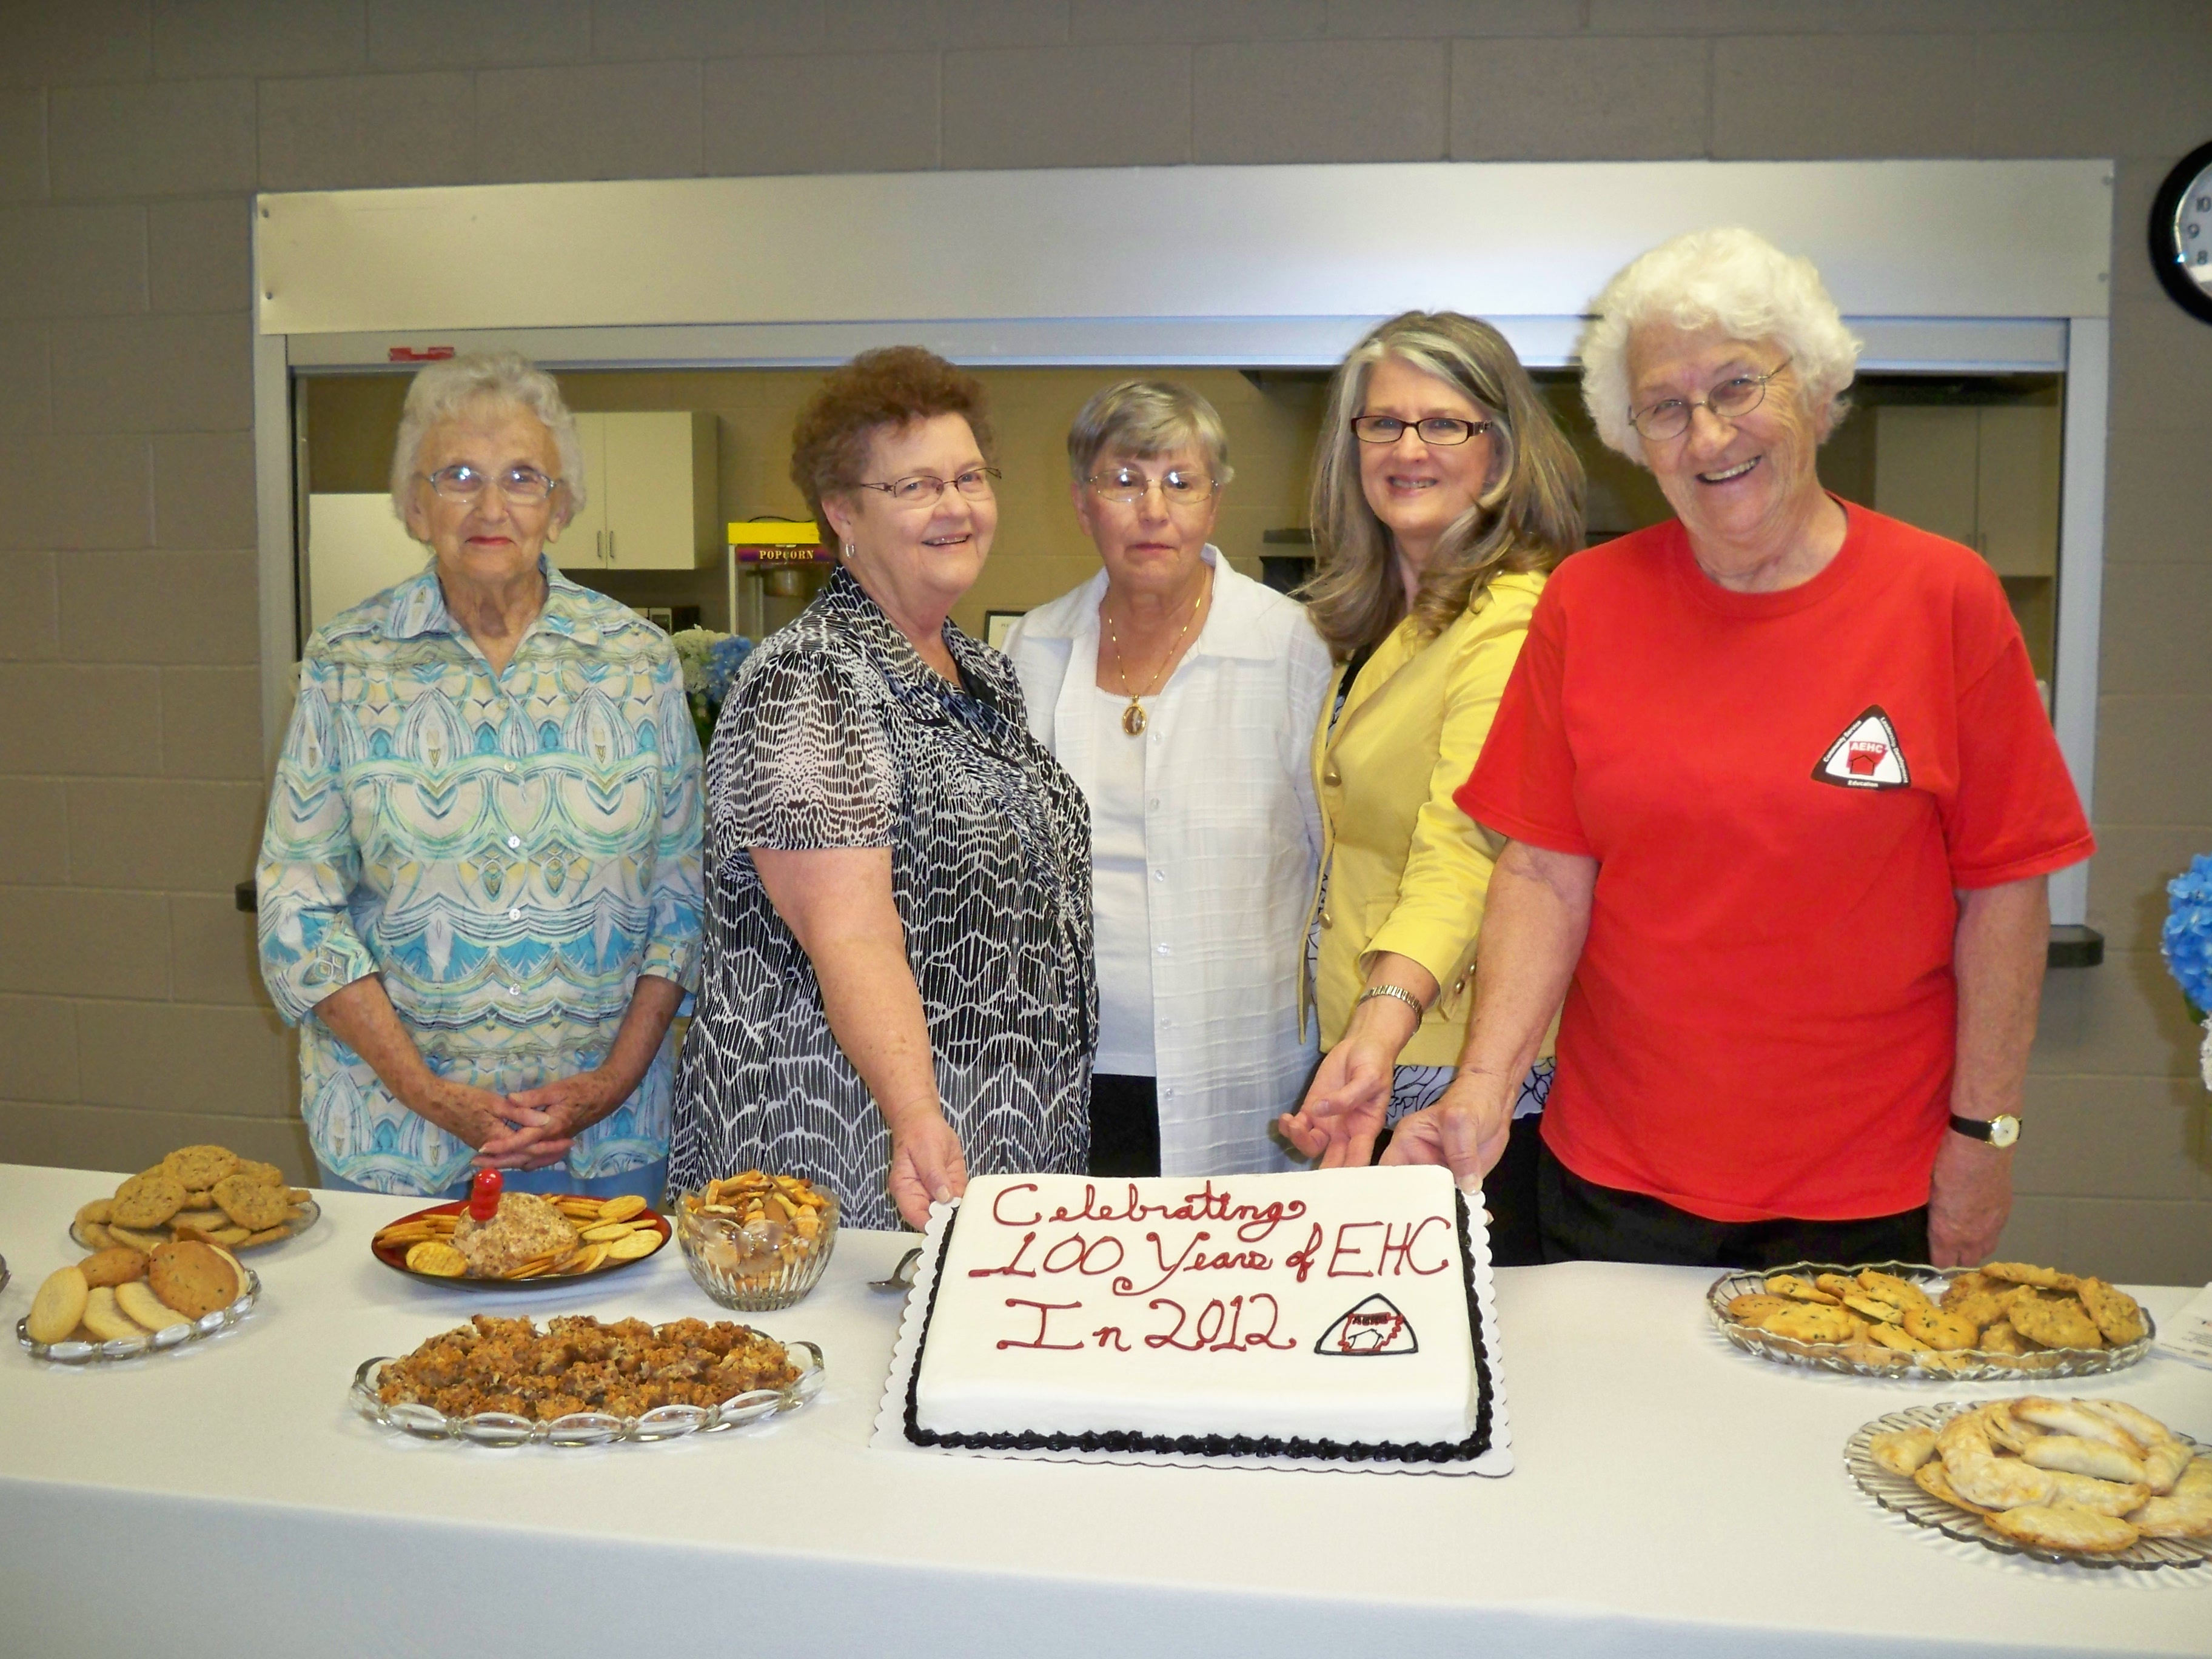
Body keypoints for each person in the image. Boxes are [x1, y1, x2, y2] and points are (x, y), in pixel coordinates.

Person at [1384, 227, 2094, 1270]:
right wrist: (1483, 1089)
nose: (1708, 436)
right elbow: (1542, 869)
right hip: (1617, 1179)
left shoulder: (1943, 599)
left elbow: (2008, 889)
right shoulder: (1590, 601)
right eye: (1665, 408)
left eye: (1735, 387)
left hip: (1871, 1188)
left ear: (1813, 389)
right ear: (1634, 436)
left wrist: (1985, 1138)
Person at [258, 352, 703, 1199]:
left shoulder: (635, 663)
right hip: (401, 1144)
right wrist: (431, 1096)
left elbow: (684, 896)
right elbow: (299, 909)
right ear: (415, 506)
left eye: (522, 478)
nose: (491, 506)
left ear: (561, 506)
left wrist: (607, 1086)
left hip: (605, 1141)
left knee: (611, 1336)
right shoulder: (348, 662)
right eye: (458, 476)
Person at [671, 347, 1094, 1230]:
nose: (956, 507)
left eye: (970, 477)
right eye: (914, 487)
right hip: (855, 1150)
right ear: (842, 513)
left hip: (1000, 1138)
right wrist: (917, 1118)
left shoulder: (981, 674)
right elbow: (851, 932)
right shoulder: (811, 681)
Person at [1277, 312, 1586, 1265]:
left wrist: (1380, 1021)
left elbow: (1467, 846)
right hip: (1378, 1051)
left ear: (1500, 453)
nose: (1409, 449)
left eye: (1444, 424)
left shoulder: (1512, 622)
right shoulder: (1386, 623)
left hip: (1453, 1071)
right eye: (1383, 424)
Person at [1004, 381, 1331, 1178]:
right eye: (1124, 481)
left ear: (1214, 504)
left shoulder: (1295, 646)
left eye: (1181, 483)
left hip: (1247, 1069)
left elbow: (1336, 866)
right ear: (1084, 504)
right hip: (1066, 1070)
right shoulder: (1029, 649)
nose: (1154, 509)